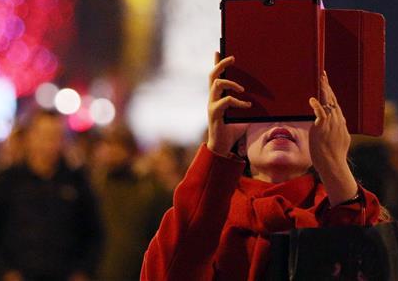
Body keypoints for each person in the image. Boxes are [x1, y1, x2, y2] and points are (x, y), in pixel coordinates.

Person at [141, 52, 383, 280]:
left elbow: (373, 268)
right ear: (242, 142)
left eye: (298, 106)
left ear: (321, 133)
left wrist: (336, 167)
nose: (280, 118)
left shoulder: (346, 210)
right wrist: (217, 149)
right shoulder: (207, 212)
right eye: (264, 107)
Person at [0, 108, 103, 281]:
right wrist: (5, 271)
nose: (50, 143)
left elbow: (93, 231)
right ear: (30, 137)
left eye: (56, 135)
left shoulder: (76, 181)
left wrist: (83, 271)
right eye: (44, 135)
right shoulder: (8, 180)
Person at [92, 124, 172, 280]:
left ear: (130, 150)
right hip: (102, 272)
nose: (112, 151)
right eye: (108, 145)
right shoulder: (96, 185)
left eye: (117, 145)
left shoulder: (149, 189)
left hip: (135, 272)